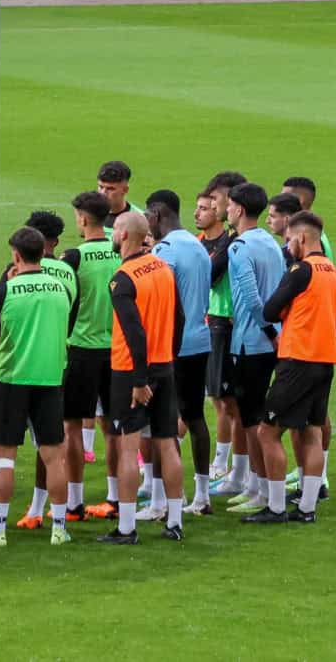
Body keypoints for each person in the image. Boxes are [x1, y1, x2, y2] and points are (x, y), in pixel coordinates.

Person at [0, 209, 77, 530]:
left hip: (12, 379)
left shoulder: (4, 290)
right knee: (54, 457)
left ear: (16, 255)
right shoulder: (62, 288)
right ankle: (59, 529)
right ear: (43, 251)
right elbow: (68, 326)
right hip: (51, 378)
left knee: (4, 458)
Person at [245, 211, 336, 524]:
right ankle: (307, 509)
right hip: (324, 361)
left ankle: (276, 507)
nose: (287, 246)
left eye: (289, 240)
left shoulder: (301, 270)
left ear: (302, 238)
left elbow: (270, 310)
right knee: (311, 431)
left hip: (298, 361)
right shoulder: (331, 270)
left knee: (267, 431)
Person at [99, 211, 185, 545]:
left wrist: (139, 380)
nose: (113, 234)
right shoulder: (162, 268)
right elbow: (179, 317)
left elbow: (134, 333)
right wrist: (169, 357)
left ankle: (126, 528)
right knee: (167, 442)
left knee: (128, 447)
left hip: (130, 372)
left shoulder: (122, 279)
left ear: (124, 235)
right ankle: (175, 521)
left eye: (115, 230)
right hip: (164, 365)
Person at [145, 189, 214, 516]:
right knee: (195, 417)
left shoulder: (165, 250)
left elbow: (160, 299)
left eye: (148, 216)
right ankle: (202, 497)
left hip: (173, 346)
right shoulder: (198, 245)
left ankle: (161, 501)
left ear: (157, 214)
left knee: (164, 424)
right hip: (200, 340)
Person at [222, 183, 287, 515]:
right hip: (273, 340)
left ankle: (261, 490)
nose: (226, 210)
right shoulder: (270, 243)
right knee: (257, 417)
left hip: (251, 342)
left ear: (239, 209)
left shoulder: (239, 247)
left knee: (252, 421)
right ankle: (256, 487)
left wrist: (266, 329)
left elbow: (250, 296)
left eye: (229, 205)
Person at [60, 192, 122, 520]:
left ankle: (74, 503)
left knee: (72, 426)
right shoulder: (120, 248)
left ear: (83, 219)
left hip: (82, 349)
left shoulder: (74, 257)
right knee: (113, 427)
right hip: (117, 351)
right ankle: (114, 499)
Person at [281, 176, 335, 495]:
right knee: (309, 417)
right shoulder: (307, 244)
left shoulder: (313, 249)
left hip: (306, 345)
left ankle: (317, 476)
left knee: (310, 417)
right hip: (315, 345)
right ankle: (309, 477)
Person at [202, 170, 246, 492]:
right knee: (222, 400)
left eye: (216, 199)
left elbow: (211, 275)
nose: (214, 205)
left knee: (231, 404)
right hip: (220, 321)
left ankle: (234, 472)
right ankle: (233, 470)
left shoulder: (236, 241)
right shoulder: (231, 238)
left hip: (228, 324)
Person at [97, 160, 135, 234]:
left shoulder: (139, 220)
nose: (103, 193)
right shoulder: (91, 214)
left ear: (125, 190)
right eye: (101, 187)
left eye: (110, 189)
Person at [267, 192, 303, 266]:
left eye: (272, 216)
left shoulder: (285, 254)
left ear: (287, 219)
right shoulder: (307, 245)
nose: (267, 221)